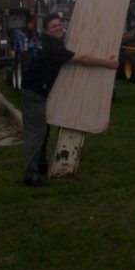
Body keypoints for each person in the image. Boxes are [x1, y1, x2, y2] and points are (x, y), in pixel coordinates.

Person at [21, 13, 117, 187]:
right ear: (46, 30)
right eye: (53, 26)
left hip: (37, 92)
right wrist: (107, 63)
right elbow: (83, 59)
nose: (58, 28)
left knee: (43, 131)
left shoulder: (53, 43)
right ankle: (30, 175)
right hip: (33, 94)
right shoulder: (53, 48)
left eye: (59, 25)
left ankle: (40, 165)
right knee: (36, 133)